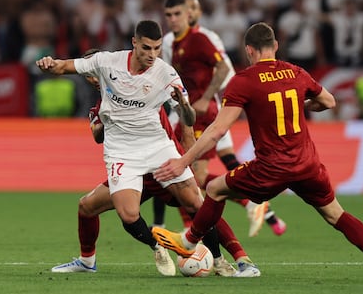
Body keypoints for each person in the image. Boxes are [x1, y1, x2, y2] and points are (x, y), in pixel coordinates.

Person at [151, 22, 363, 283]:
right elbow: (329, 101)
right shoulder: (295, 72)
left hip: (272, 168)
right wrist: (300, 102)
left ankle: (190, 241)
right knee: (336, 214)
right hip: (307, 165)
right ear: (275, 46)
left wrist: (184, 160)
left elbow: (217, 130)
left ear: (249, 50)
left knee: (215, 189)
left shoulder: (244, 81)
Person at [41, 24, 257, 277]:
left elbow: (186, 116)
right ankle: (119, 254)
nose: (152, 54)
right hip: (125, 157)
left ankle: (231, 259)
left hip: (160, 153)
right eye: (147, 48)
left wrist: (186, 128)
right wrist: (48, 63)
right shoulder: (104, 87)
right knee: (105, 210)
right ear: (134, 43)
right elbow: (63, 67)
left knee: (198, 204)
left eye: (156, 48)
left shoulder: (165, 74)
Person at [161, 0, 286, 238]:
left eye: (180, 13)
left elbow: (225, 69)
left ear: (190, 13)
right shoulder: (171, 43)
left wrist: (209, 97)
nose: (174, 19)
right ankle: (201, 222)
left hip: (207, 113)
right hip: (188, 113)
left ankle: (250, 204)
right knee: (181, 169)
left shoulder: (203, 38)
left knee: (194, 173)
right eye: (170, 15)